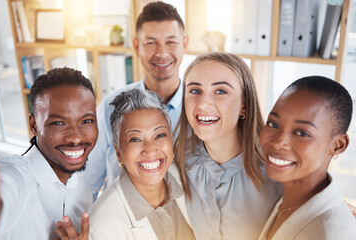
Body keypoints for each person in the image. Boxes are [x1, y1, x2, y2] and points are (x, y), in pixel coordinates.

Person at [82, 1, 189, 201]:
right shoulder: (110, 106)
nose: (162, 53)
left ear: (184, 45)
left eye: (171, 42)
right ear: (137, 47)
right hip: (120, 221)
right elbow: (88, 182)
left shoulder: (200, 110)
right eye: (151, 43)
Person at [174, 52, 281, 240]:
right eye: (195, 91)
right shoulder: (178, 158)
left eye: (221, 91)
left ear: (244, 105)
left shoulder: (276, 169)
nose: (204, 103)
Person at [0, 67, 98, 240]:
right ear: (34, 125)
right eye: (59, 123)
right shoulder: (18, 178)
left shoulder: (83, 193)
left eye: (86, 121)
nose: (75, 138)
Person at [85, 88, 194, 239]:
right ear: (118, 153)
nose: (150, 149)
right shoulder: (101, 227)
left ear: (171, 141)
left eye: (160, 135)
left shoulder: (193, 180)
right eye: (135, 139)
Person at [258, 76, 356, 239]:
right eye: (273, 124)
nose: (278, 143)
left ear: (337, 145)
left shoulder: (330, 233)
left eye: (302, 133)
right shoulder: (284, 199)